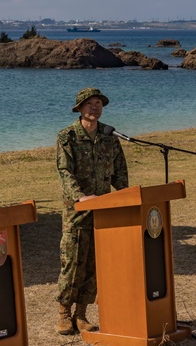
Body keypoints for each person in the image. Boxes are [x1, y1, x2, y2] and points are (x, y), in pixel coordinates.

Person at [55, 87, 129, 335]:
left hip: (104, 212)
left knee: (95, 265)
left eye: (98, 103)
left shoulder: (110, 136)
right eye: (90, 104)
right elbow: (65, 172)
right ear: (80, 108)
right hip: (78, 213)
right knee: (73, 263)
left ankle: (81, 314)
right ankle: (64, 313)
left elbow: (120, 172)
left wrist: (124, 198)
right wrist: (81, 196)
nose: (95, 107)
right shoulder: (68, 137)